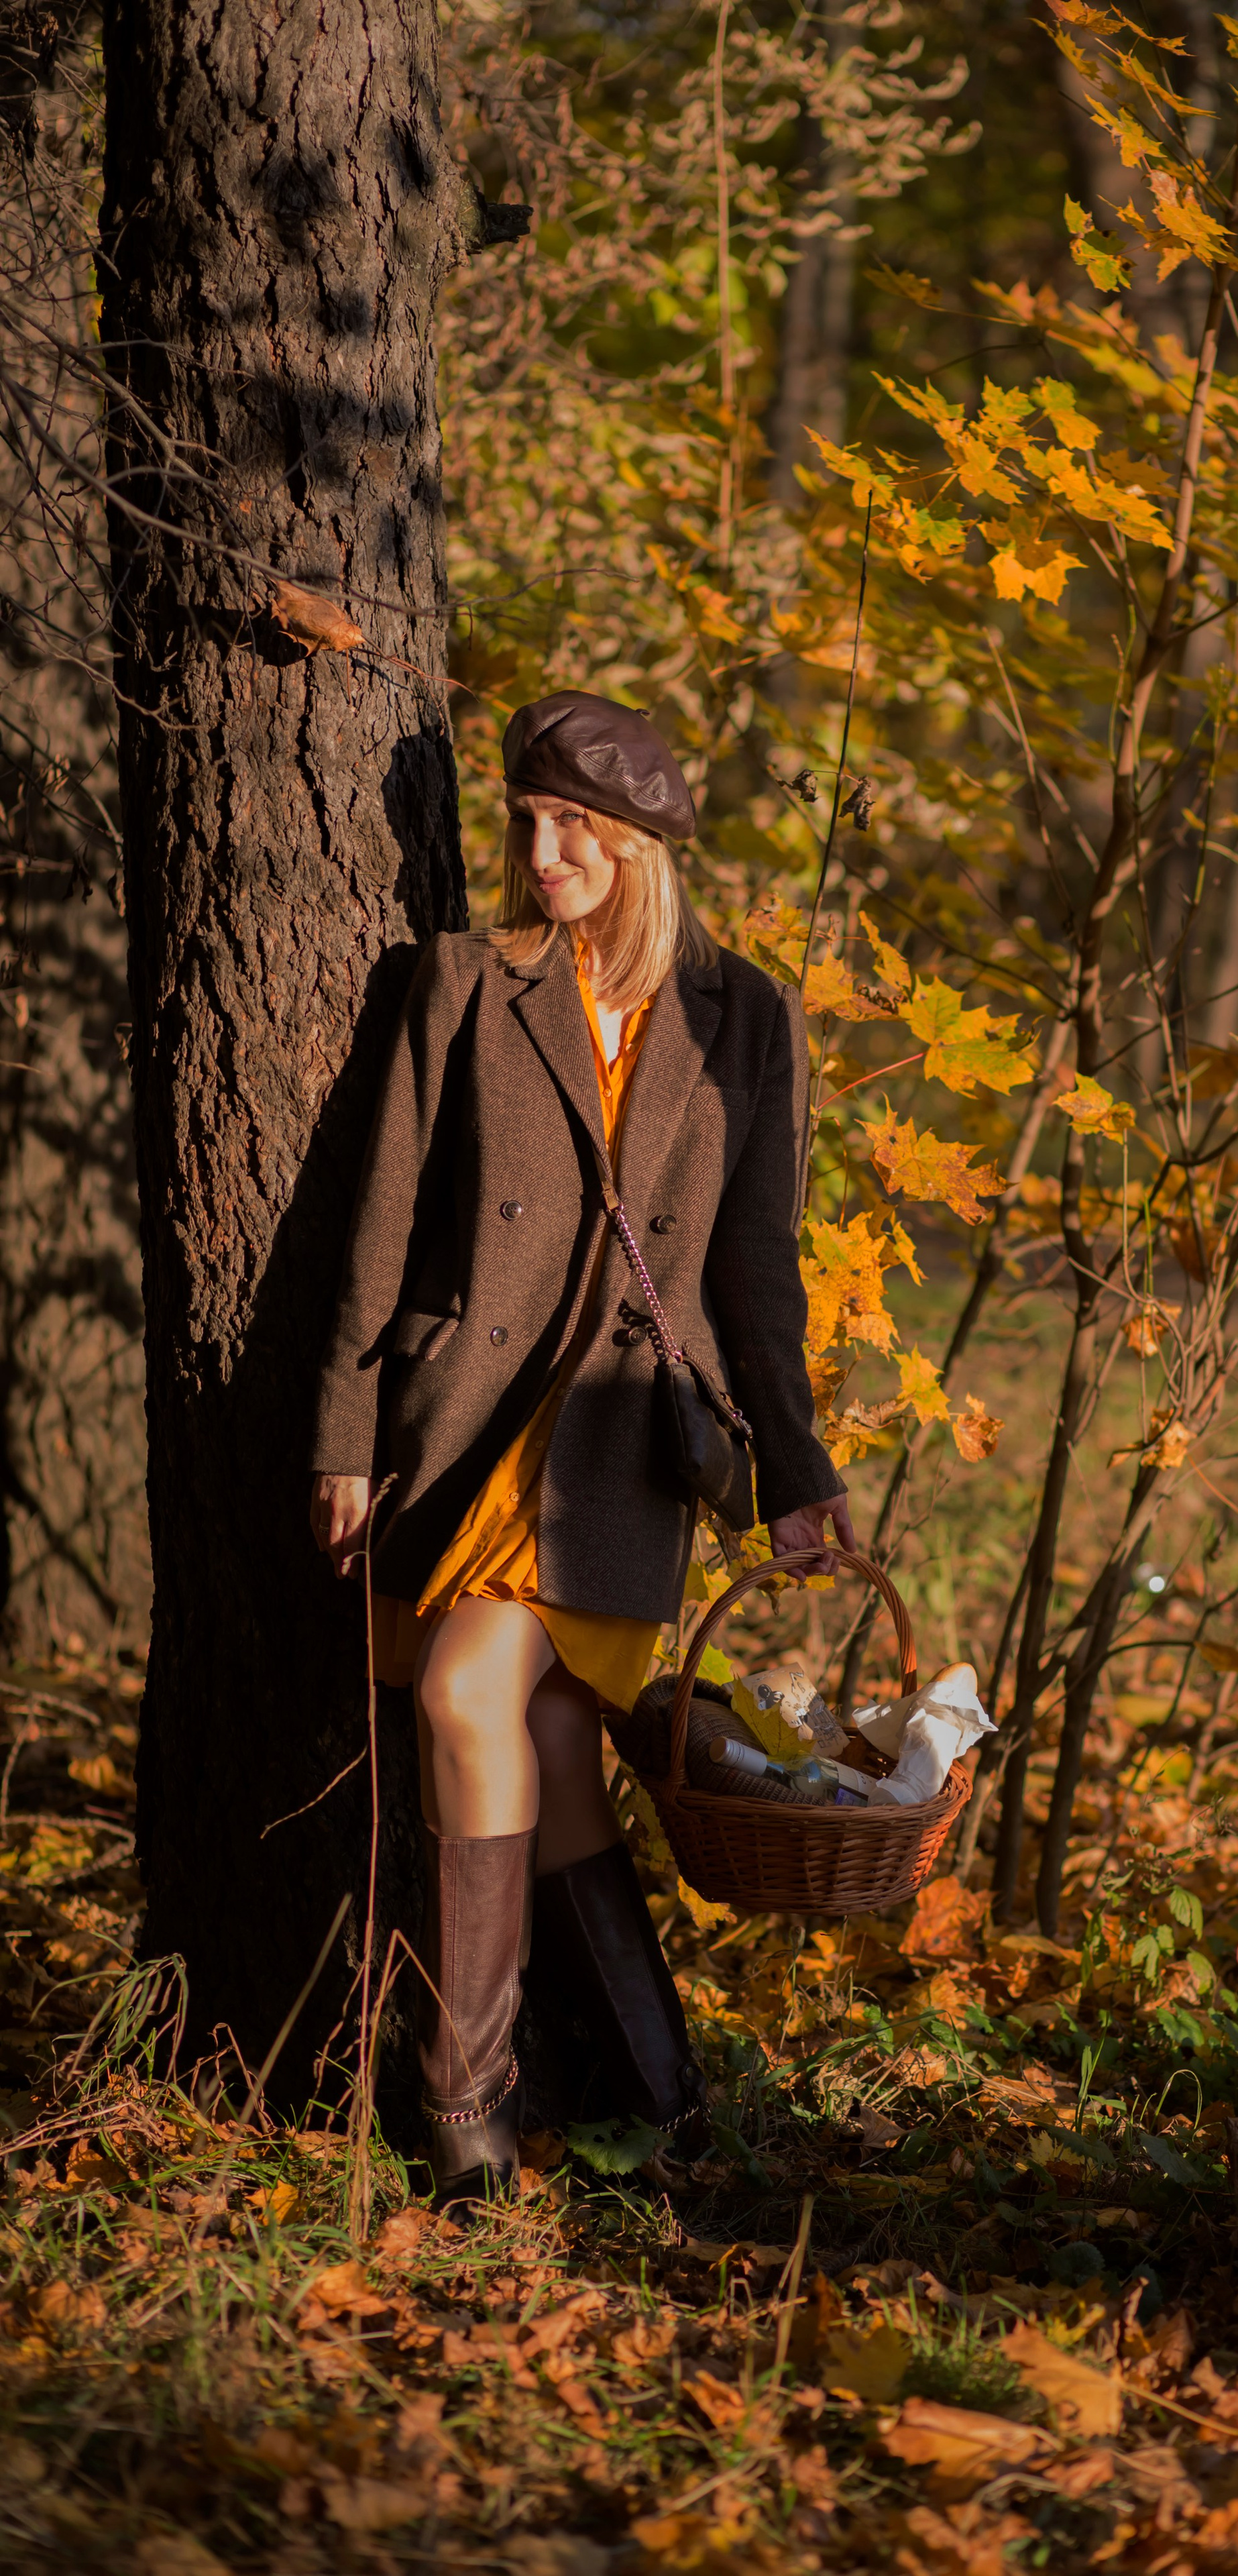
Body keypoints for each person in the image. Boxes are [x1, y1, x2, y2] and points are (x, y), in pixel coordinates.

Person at [308, 691, 853, 2209]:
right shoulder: (469, 984)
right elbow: (385, 1216)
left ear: (638, 847)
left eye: (575, 832)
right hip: (464, 1428)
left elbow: (757, 1268)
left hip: (619, 1455)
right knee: (540, 1744)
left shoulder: (739, 1017)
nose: (540, 854)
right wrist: (345, 1432)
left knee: (483, 1694)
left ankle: (460, 2100)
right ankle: (650, 2091)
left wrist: (797, 1475)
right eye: (528, 823)